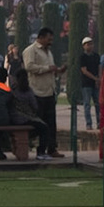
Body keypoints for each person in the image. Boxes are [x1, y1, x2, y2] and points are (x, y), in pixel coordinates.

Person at [21, 27, 65, 158]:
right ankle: (38, 149)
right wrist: (46, 68)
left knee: (51, 123)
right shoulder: (31, 50)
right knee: (39, 123)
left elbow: (49, 69)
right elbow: (29, 66)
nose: (50, 41)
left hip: (49, 91)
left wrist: (57, 71)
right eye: (48, 39)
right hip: (37, 92)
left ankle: (51, 148)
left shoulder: (48, 52)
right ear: (41, 38)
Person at [77, 36, 101, 127]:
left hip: (95, 82)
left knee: (98, 104)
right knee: (87, 104)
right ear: (84, 46)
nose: (90, 46)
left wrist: (98, 78)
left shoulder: (96, 56)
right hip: (86, 83)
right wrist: (95, 79)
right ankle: (89, 123)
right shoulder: (82, 57)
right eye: (88, 44)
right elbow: (84, 70)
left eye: (91, 44)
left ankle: (99, 122)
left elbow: (99, 67)